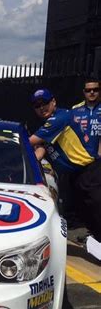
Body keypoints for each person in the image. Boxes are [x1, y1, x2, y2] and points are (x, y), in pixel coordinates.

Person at [28, 88, 101, 260]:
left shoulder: (58, 119)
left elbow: (30, 142)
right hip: (75, 177)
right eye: (37, 106)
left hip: (90, 172)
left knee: (97, 212)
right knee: (85, 217)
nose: (41, 108)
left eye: (44, 103)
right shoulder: (48, 127)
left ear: (53, 102)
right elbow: (39, 151)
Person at [72, 77, 100, 157]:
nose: (92, 92)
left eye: (95, 89)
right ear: (84, 92)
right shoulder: (74, 110)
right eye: (88, 90)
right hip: (80, 159)